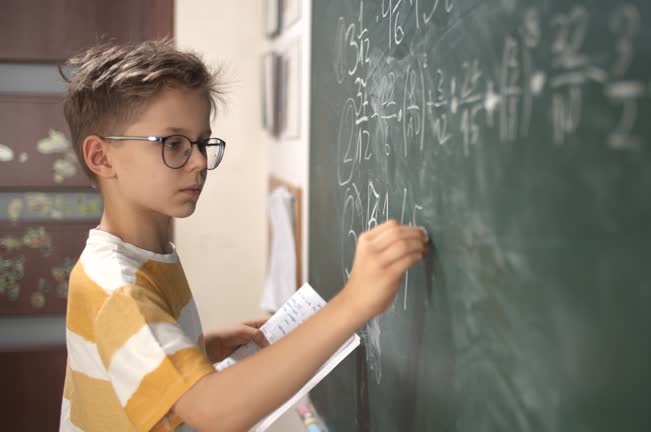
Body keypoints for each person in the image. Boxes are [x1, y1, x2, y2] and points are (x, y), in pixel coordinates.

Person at [59, 39, 429, 431]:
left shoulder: (146, 256)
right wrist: (355, 302)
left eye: (202, 142)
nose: (200, 162)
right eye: (174, 144)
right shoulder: (116, 285)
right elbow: (214, 412)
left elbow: (130, 370)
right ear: (101, 157)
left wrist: (202, 348)